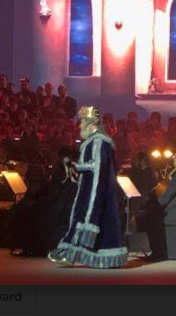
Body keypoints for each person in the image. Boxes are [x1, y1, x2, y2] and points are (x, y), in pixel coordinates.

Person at [48, 106, 127, 268]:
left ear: (91, 124)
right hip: (91, 189)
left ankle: (71, 253)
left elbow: (97, 166)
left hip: (95, 191)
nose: (80, 126)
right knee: (86, 219)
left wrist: (77, 166)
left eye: (82, 122)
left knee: (89, 218)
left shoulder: (98, 141)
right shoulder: (95, 141)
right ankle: (71, 253)